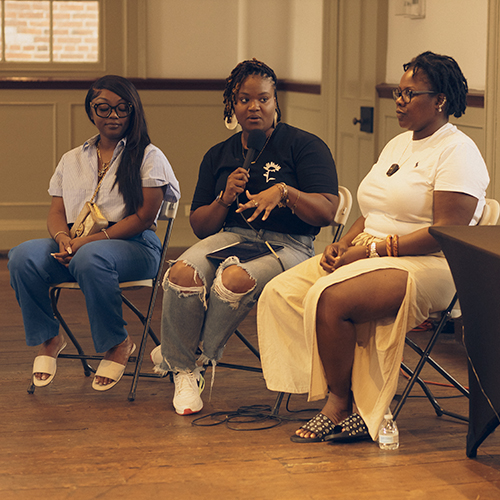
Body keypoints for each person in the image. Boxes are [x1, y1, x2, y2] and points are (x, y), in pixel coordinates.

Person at [257, 51, 490, 443]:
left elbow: (447, 231)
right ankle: (341, 386)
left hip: (430, 262)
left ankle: (340, 403)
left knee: (332, 299)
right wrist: (344, 243)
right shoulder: (398, 144)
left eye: (409, 94)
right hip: (370, 247)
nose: (398, 101)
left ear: (440, 100)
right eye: (397, 93)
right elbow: (373, 210)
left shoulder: (458, 152)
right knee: (282, 291)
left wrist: (371, 252)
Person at [151, 58, 338, 415]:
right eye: (244, 100)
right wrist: (224, 197)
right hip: (233, 235)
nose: (254, 107)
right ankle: (186, 371)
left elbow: (327, 212)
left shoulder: (305, 146)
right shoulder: (219, 154)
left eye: (263, 99)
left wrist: (285, 192)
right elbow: (202, 226)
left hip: (291, 245)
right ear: (231, 105)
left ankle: (184, 354)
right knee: (180, 273)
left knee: (233, 279)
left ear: (275, 101)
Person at [8, 75, 180, 391]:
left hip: (135, 246)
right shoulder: (72, 159)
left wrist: (83, 243)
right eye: (103, 108)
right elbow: (57, 212)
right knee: (22, 256)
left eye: (121, 108)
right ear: (91, 111)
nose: (112, 116)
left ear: (133, 111)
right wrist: (63, 238)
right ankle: (49, 338)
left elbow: (144, 218)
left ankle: (118, 344)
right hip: (76, 242)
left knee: (90, 257)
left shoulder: (148, 156)